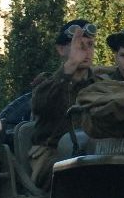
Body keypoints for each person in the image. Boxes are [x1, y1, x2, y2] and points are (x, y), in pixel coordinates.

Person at [30, 19, 98, 186]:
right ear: (61, 50)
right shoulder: (47, 83)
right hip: (51, 154)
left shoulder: (99, 86)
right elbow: (41, 105)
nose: (86, 51)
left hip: (93, 153)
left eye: (90, 45)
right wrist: (71, 64)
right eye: (78, 46)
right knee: (79, 174)